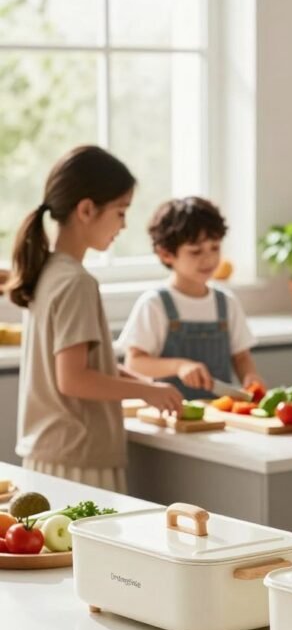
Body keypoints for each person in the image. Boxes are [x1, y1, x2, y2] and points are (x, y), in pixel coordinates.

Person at [8, 145, 183, 492]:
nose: (124, 224)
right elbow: (73, 379)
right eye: (120, 212)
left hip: (52, 452)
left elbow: (84, 363)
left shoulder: (49, 271)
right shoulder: (76, 282)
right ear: (86, 210)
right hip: (78, 460)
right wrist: (144, 393)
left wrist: (146, 387)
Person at [118, 196, 264, 399]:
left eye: (215, 248)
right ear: (166, 254)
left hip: (220, 416)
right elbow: (135, 363)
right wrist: (179, 366)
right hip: (170, 416)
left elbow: (241, 357)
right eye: (196, 252)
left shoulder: (226, 302)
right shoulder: (154, 304)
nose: (209, 259)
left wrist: (251, 378)